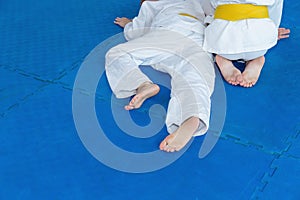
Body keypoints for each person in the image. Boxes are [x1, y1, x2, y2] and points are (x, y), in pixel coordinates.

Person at [105, 0, 215, 152]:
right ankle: (192, 116)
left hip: (168, 34)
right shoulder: (197, 2)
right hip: (199, 41)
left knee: (118, 54)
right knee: (195, 78)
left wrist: (129, 25)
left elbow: (138, 30)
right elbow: (215, 16)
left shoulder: (151, 5)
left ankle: (142, 85)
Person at [201, 0, 290, 87]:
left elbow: (207, 7)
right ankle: (256, 59)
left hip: (224, 44)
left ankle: (223, 59)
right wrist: (273, 30)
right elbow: (276, 7)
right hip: (259, 44)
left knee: (214, 30)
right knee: (260, 42)